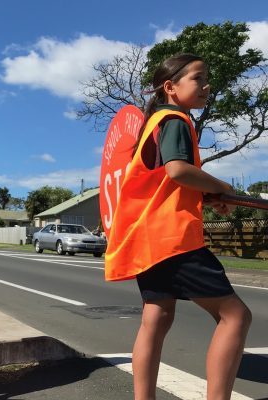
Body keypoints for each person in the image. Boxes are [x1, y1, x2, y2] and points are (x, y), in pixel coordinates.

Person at [104, 53, 252, 400]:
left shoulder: (152, 124)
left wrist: (206, 195)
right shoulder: (175, 119)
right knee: (236, 316)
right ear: (171, 87)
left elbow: (164, 187)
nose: (206, 86)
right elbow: (178, 171)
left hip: (145, 240)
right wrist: (225, 188)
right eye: (199, 79)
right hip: (171, 239)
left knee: (156, 319)